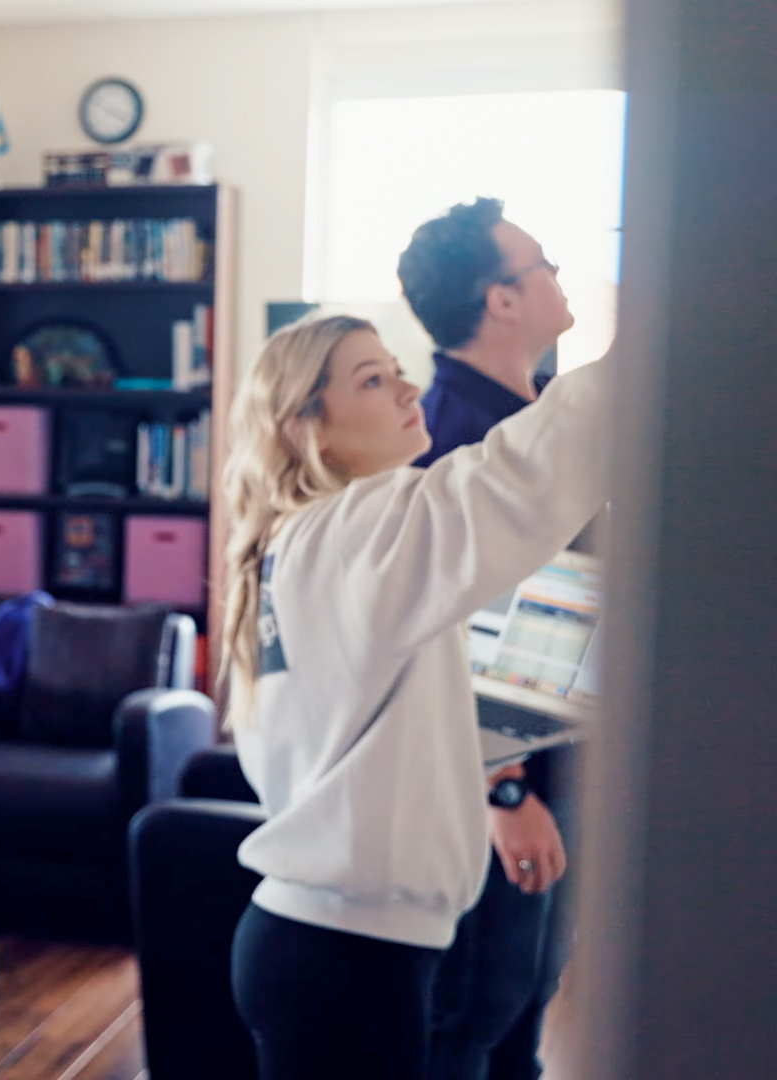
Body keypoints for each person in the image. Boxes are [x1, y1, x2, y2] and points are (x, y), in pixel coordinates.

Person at [219, 314, 614, 1078]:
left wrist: (497, 776)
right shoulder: (353, 530)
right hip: (342, 959)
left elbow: (413, 722)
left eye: (394, 368)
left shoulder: (314, 542)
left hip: (330, 949)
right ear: (310, 429)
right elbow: (510, 483)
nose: (407, 387)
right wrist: (647, 344)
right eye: (372, 379)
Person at [399, 197, 582, 1079]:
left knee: (522, 1009)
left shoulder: (538, 422)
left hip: (558, 757)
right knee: (472, 1014)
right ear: (502, 301)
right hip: (500, 784)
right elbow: (444, 636)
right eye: (543, 263)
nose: (559, 276)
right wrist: (502, 793)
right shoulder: (452, 444)